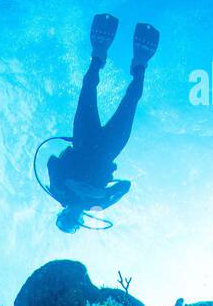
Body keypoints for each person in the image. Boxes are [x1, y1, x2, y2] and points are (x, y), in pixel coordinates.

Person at [47, 14, 159, 232]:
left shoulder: (59, 191)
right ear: (81, 221)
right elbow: (125, 186)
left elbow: (52, 161)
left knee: (88, 88)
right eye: (73, 220)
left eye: (66, 217)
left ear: (62, 212)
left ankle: (97, 59)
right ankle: (139, 67)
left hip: (83, 139)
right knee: (132, 99)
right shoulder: (96, 205)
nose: (72, 214)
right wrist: (103, 195)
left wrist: (66, 183)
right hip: (110, 148)